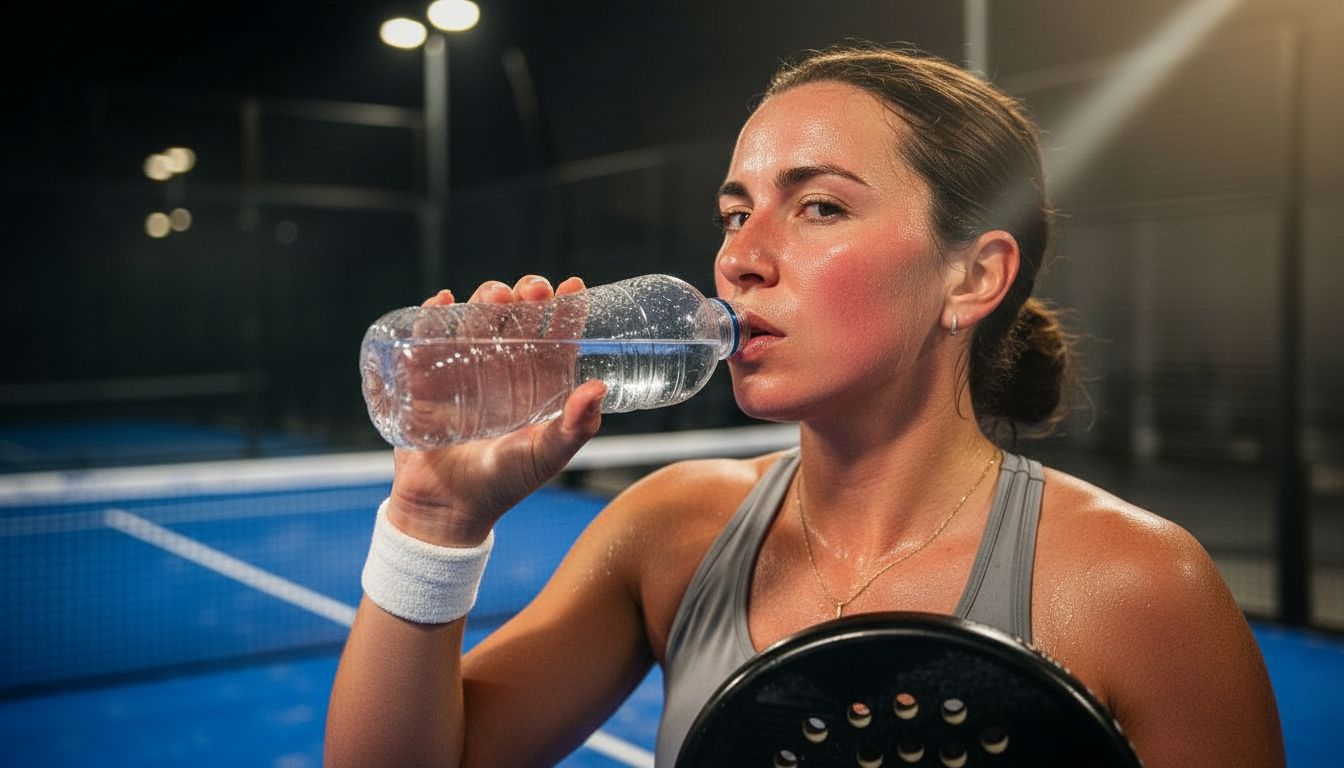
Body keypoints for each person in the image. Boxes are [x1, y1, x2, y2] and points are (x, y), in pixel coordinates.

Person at [326, 43, 1285, 767]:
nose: (741, 256)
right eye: (735, 213)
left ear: (972, 277)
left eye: (819, 206)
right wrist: (433, 523)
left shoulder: (1138, 587)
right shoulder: (671, 531)